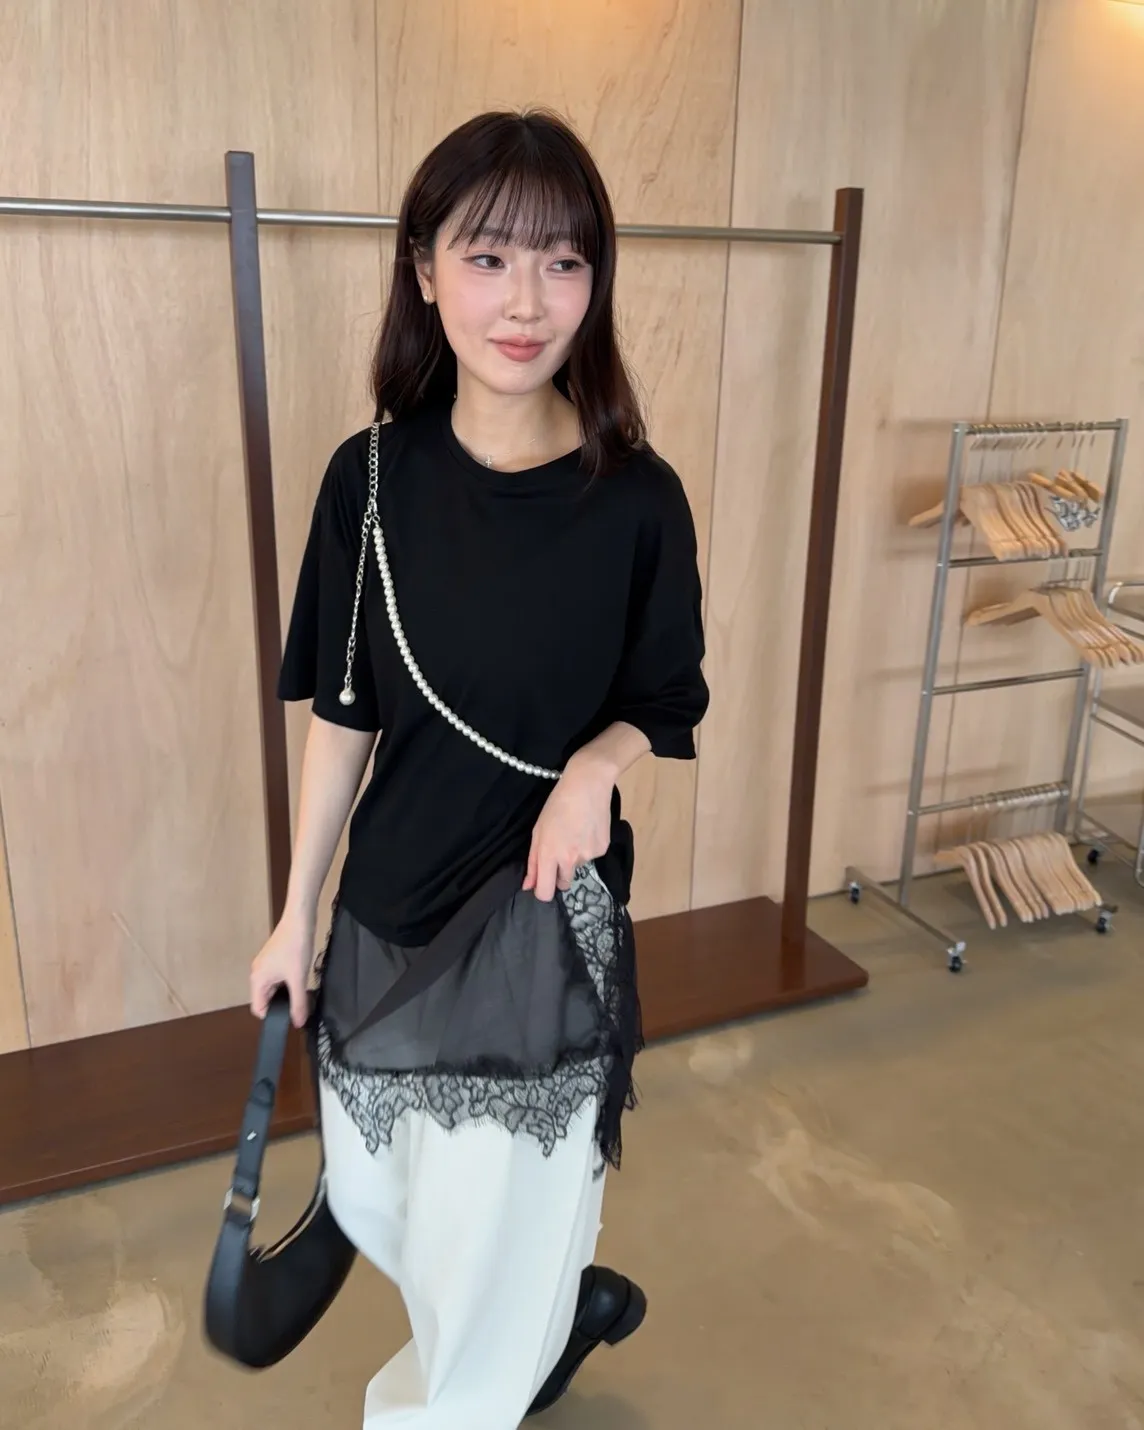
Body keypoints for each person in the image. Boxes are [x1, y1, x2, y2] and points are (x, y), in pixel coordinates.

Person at [249, 108, 709, 1429]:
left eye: (563, 263)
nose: (526, 302)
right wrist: (294, 914)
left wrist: (596, 765)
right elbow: (344, 717)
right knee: (383, 1202)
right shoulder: (368, 481)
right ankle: (557, 1315)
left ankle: (485, 1370)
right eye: (489, 256)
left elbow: (664, 698)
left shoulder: (638, 498)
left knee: (480, 1260)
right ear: (423, 266)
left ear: (594, 281)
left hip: (538, 926)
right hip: (389, 910)